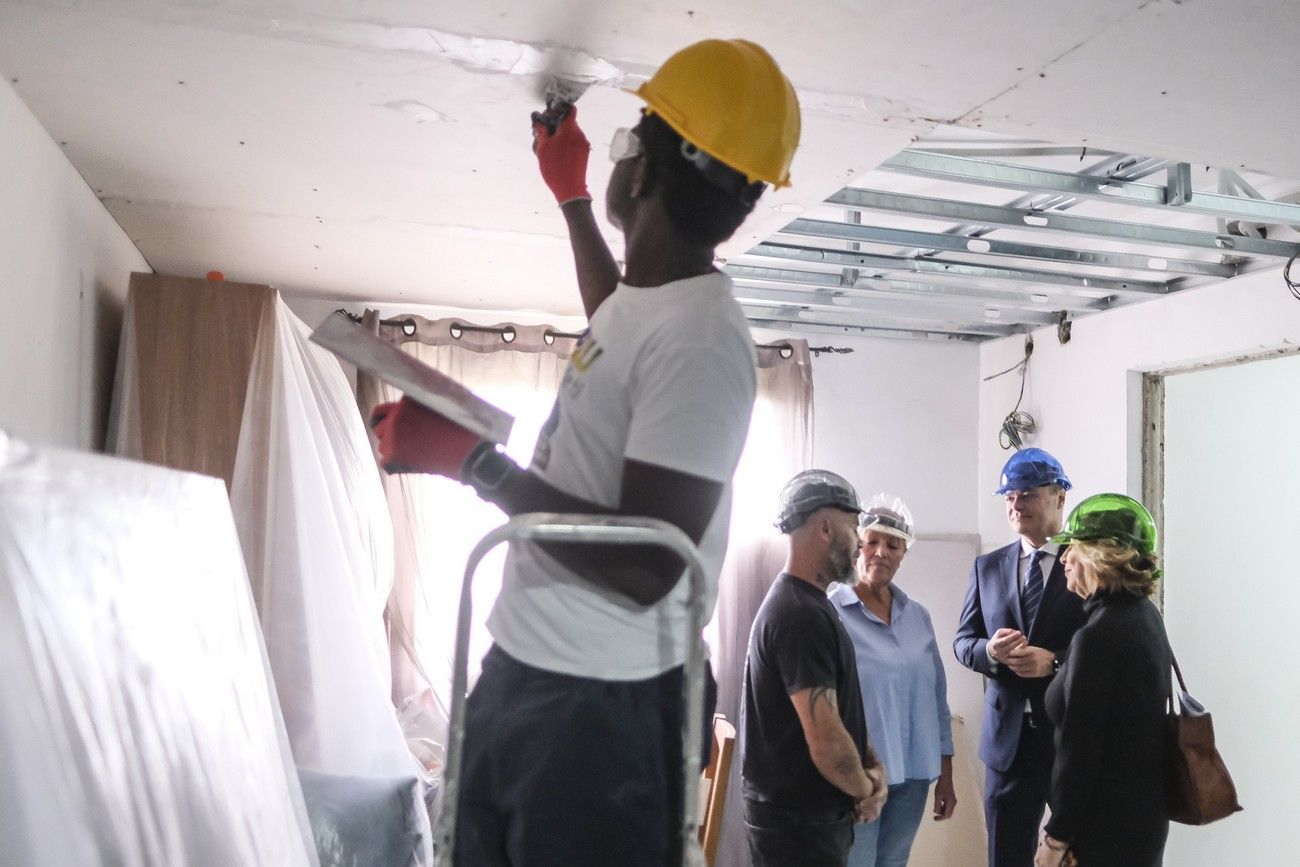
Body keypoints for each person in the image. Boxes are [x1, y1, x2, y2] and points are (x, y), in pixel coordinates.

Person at [369, 39, 802, 867]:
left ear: (643, 172)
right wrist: (570, 196)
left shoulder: (704, 342)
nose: (622, 144)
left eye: (634, 129)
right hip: (533, 672)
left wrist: (475, 464)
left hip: (602, 710)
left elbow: (649, 564)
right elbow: (619, 323)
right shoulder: (654, 304)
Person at [740, 470, 888, 867]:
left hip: (805, 822)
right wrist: (865, 788)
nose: (859, 541)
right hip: (797, 829)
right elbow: (824, 738)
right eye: (853, 527)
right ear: (825, 528)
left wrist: (872, 767)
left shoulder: (810, 604)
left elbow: (838, 712)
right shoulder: (799, 615)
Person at [952, 448, 1087, 867]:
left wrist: (1056, 663)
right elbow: (962, 641)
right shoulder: (987, 567)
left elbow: (1102, 646)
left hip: (1069, 740)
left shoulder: (1086, 563)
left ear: (1060, 497)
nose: (1016, 505)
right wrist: (990, 653)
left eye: (1027, 494)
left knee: (1084, 852)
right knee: (1007, 857)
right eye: (1009, 497)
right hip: (1007, 745)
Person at [1034, 494, 1172, 867]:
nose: (1063, 559)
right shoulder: (1144, 616)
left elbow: (1081, 747)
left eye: (1073, 548)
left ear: (1100, 556)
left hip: (1102, 828)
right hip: (1141, 819)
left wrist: (1056, 836)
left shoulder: (1099, 635)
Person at [829, 495, 957, 867]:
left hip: (914, 773)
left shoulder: (917, 617)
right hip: (859, 778)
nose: (880, 552)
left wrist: (946, 776)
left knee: (894, 863)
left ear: (903, 554)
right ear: (856, 545)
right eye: (872, 541)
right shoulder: (832, 612)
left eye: (893, 544)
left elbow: (936, 699)